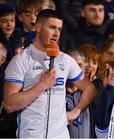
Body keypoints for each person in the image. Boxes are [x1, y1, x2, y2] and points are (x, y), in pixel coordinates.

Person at [3, 9, 97, 138]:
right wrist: (42, 85)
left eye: (59, 29)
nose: (56, 34)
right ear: (38, 27)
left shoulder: (65, 60)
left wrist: (76, 111)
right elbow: (9, 104)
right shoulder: (21, 60)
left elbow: (90, 88)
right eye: (52, 27)